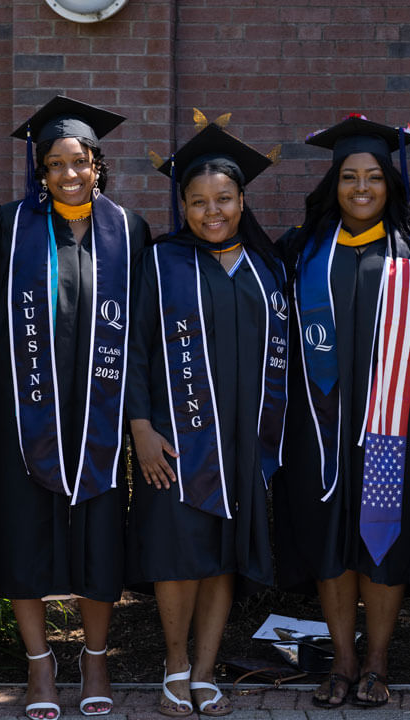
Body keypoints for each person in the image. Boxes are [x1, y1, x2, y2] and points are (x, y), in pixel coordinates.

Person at [0, 96, 151, 720]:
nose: (69, 173)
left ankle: (96, 659)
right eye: (55, 163)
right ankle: (39, 669)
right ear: (40, 170)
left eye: (79, 161)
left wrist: (137, 416)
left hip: (100, 422)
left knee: (100, 543)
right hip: (26, 416)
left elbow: (141, 332)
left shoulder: (128, 231)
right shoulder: (10, 224)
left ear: (98, 164)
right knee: (25, 540)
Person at [273, 115, 410, 709]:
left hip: (393, 428)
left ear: (391, 183)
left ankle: (377, 661)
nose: (362, 188)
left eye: (374, 176)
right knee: (329, 539)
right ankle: (342, 662)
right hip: (319, 429)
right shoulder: (301, 250)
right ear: (334, 183)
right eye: (349, 177)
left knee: (382, 541)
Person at [126, 118, 287, 717]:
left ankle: (206, 668)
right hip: (177, 440)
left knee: (223, 557)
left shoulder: (270, 270)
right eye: (199, 202)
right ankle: (173, 663)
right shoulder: (162, 261)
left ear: (243, 201)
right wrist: (140, 427)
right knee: (179, 555)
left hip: (243, 444)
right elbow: (135, 349)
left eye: (223, 199)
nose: (212, 211)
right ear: (183, 206)